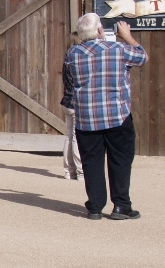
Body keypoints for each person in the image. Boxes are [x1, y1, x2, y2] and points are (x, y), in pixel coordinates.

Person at [65, 14, 147, 220]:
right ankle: (121, 205)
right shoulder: (117, 50)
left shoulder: (72, 54)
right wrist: (126, 36)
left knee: (91, 162)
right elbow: (142, 57)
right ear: (100, 31)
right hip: (116, 115)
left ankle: (95, 207)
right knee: (120, 160)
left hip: (86, 117)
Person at [61, 33, 83, 181]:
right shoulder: (78, 60)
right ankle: (81, 171)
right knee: (76, 137)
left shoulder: (66, 60)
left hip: (67, 100)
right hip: (76, 101)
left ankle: (69, 170)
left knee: (69, 136)